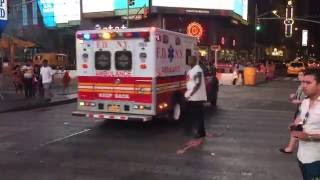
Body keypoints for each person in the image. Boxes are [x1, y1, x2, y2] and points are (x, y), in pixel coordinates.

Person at [290, 68, 320, 180]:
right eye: (302, 82)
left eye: (308, 83)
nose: (303, 86)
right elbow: (302, 118)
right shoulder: (305, 102)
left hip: (317, 161)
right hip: (302, 157)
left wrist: (310, 136)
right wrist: (296, 124)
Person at [280, 71, 306, 153]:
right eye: (299, 75)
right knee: (297, 129)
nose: (299, 76)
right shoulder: (300, 86)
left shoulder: (306, 86)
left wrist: (298, 101)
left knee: (296, 129)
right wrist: (293, 95)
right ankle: (290, 148)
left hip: (303, 111)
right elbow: (298, 94)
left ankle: (290, 148)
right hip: (299, 110)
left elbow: (308, 100)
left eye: (301, 75)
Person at [184, 56, 207, 141]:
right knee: (192, 114)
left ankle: (200, 133)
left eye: (190, 60)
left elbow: (198, 84)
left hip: (197, 98)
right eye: (188, 59)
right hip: (191, 97)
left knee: (198, 116)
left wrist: (190, 95)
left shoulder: (198, 70)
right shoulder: (191, 70)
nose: (189, 61)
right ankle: (199, 131)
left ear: (195, 61)